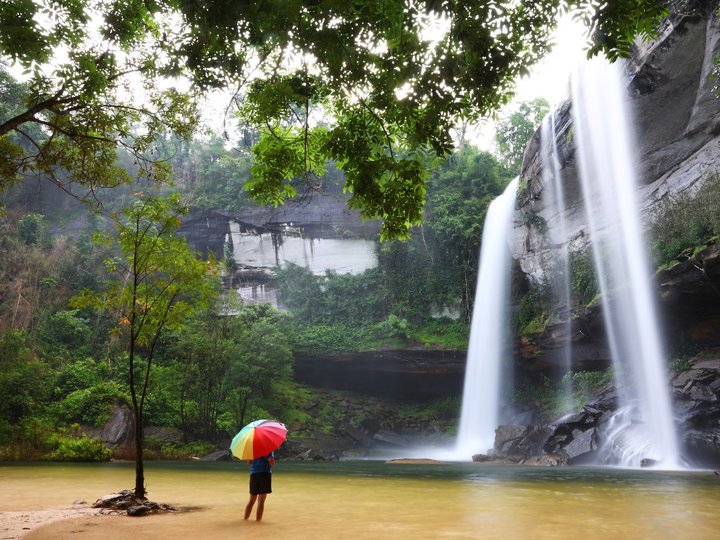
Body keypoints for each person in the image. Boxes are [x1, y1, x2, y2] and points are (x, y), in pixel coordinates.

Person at [244, 451, 276, 521]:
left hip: (254, 474)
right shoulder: (268, 449)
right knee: (261, 501)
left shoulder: (252, 448)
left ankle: (245, 519)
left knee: (251, 500)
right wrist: (273, 461)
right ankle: (258, 522)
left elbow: (249, 462)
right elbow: (271, 462)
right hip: (264, 474)